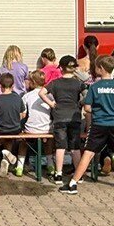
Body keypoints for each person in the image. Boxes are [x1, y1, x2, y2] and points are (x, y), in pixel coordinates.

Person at [63, 55, 114, 195]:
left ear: (101, 69)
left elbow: (87, 108)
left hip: (99, 125)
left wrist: (97, 108)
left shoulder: (95, 87)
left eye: (96, 67)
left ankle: (73, 184)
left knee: (88, 153)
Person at [42, 55, 85, 186]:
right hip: (74, 118)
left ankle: (58, 174)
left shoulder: (55, 83)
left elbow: (41, 93)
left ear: (61, 68)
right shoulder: (79, 83)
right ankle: (78, 175)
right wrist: (80, 104)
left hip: (59, 117)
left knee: (60, 147)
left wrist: (52, 104)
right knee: (75, 148)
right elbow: (86, 97)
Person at [0, 73, 27, 177]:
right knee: (9, 139)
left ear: (0, 86)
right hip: (15, 129)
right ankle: (6, 157)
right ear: (13, 85)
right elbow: (23, 114)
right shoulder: (18, 98)